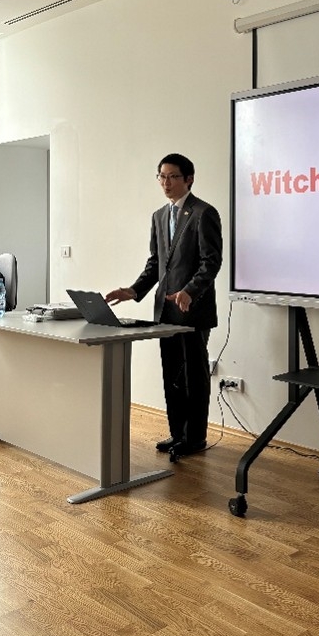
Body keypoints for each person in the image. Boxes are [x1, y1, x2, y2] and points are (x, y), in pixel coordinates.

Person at [106, 153, 222, 459]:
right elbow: (156, 264)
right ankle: (177, 434)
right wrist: (133, 290)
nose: (166, 183)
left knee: (193, 376)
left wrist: (190, 291)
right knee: (172, 374)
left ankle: (194, 438)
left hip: (192, 310)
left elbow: (211, 262)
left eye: (172, 177)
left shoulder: (203, 213)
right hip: (164, 311)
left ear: (189, 179)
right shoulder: (159, 216)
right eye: (162, 176)